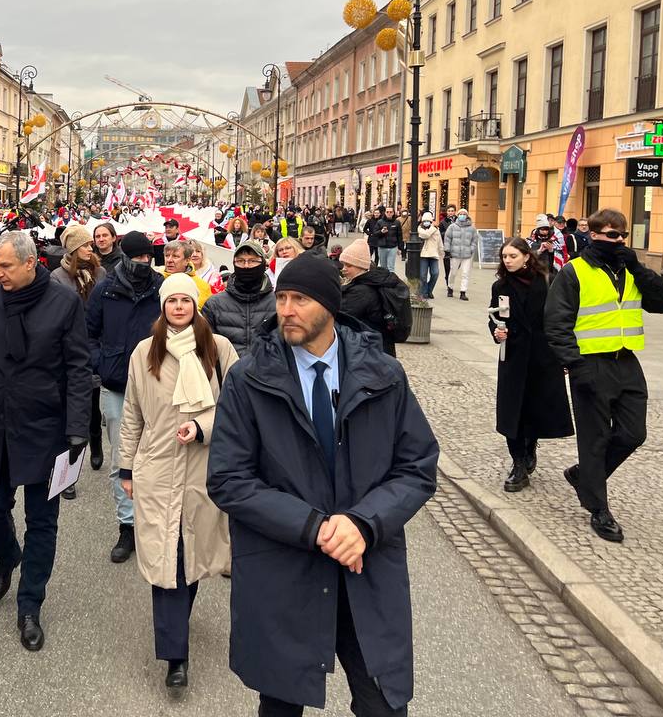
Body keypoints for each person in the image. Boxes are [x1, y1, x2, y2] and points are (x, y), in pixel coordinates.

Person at [207, 253, 439, 716]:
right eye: (283, 298)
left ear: (330, 306)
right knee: (281, 704)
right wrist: (314, 527)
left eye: (301, 299)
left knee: (383, 705)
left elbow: (417, 466)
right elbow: (229, 479)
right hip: (284, 570)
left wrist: (363, 525)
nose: (286, 309)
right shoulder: (249, 378)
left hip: (365, 568)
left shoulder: (383, 375)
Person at [0, 230, 92, 653]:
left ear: (31, 263)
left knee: (42, 523)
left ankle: (30, 604)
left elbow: (78, 368)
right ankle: (7, 557)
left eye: (5, 267)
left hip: (45, 429)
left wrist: (77, 429)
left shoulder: (64, 303)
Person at [118, 273, 238, 691]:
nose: (179, 307)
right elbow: (132, 411)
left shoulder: (218, 349)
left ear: (196, 305)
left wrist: (201, 427)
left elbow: (238, 411)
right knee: (165, 560)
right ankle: (175, 657)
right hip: (156, 468)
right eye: (172, 301)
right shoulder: (144, 351)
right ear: (163, 306)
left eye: (186, 300)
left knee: (187, 558)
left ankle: (175, 632)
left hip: (203, 469)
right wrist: (126, 468)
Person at [545, 209, 663, 544]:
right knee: (595, 438)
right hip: (590, 363)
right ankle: (598, 509)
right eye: (611, 235)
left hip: (626, 362)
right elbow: (556, 323)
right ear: (593, 234)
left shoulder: (631, 270)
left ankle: (583, 475)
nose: (618, 241)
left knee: (633, 434)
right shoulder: (575, 271)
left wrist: (637, 267)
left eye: (623, 236)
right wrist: (575, 364)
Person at [86, 230, 165, 564]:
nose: (143, 263)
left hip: (158, 387)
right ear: (126, 255)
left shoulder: (162, 288)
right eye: (137, 257)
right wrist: (101, 363)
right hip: (117, 386)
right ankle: (127, 527)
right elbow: (87, 335)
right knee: (123, 460)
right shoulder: (104, 290)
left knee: (161, 458)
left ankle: (157, 523)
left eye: (148, 257)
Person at [488, 238, 573, 493]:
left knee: (535, 407)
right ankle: (518, 464)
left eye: (513, 256)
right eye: (505, 256)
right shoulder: (500, 286)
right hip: (513, 356)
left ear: (527, 256)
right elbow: (494, 317)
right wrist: (496, 332)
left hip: (541, 355)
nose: (508, 260)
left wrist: (564, 355)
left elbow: (559, 318)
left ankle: (529, 448)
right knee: (512, 410)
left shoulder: (546, 281)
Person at [50, 225, 107, 495]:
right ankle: (67, 475)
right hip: (67, 351)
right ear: (73, 249)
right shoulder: (57, 277)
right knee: (68, 415)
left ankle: (95, 441)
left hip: (93, 347)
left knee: (93, 409)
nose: (90, 248)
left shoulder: (100, 273)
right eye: (85, 245)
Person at [337, 238, 407, 358]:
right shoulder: (373, 282)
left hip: (370, 350)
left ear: (360, 266)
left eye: (348, 265)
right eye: (343, 264)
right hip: (380, 347)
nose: (344, 269)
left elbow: (341, 316)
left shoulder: (362, 291)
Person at [204, 241, 274, 355]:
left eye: (252, 261)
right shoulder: (214, 305)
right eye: (240, 261)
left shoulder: (279, 303)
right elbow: (206, 348)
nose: (246, 266)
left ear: (262, 264)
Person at [161, 241, 211, 309]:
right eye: (167, 256)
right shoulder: (156, 279)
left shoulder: (202, 286)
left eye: (175, 256)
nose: (169, 260)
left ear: (187, 260)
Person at [443, 207, 477, 300]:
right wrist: (447, 249)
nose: (462, 216)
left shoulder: (472, 228)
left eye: (464, 214)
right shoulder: (452, 227)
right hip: (455, 253)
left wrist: (472, 249)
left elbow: (474, 240)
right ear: (458, 216)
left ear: (467, 216)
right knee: (453, 272)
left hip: (467, 255)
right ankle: (450, 287)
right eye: (460, 214)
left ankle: (463, 292)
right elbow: (447, 238)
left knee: (465, 273)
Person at [415, 213, 443, 299]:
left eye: (428, 221)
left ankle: (429, 290)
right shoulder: (420, 228)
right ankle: (424, 292)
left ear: (431, 221)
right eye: (424, 221)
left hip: (434, 255)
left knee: (435, 274)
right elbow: (426, 235)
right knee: (423, 276)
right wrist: (433, 227)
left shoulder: (436, 230)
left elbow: (439, 241)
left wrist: (442, 252)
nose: (426, 222)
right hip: (423, 255)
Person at [373, 206, 403, 272]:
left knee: (391, 267)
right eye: (387, 212)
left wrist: (400, 248)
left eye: (391, 212)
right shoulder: (380, 222)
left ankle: (391, 281)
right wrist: (381, 231)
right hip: (382, 247)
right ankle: (384, 281)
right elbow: (374, 233)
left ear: (393, 213)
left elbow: (399, 236)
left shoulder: (397, 222)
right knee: (383, 267)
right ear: (385, 213)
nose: (389, 213)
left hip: (393, 247)